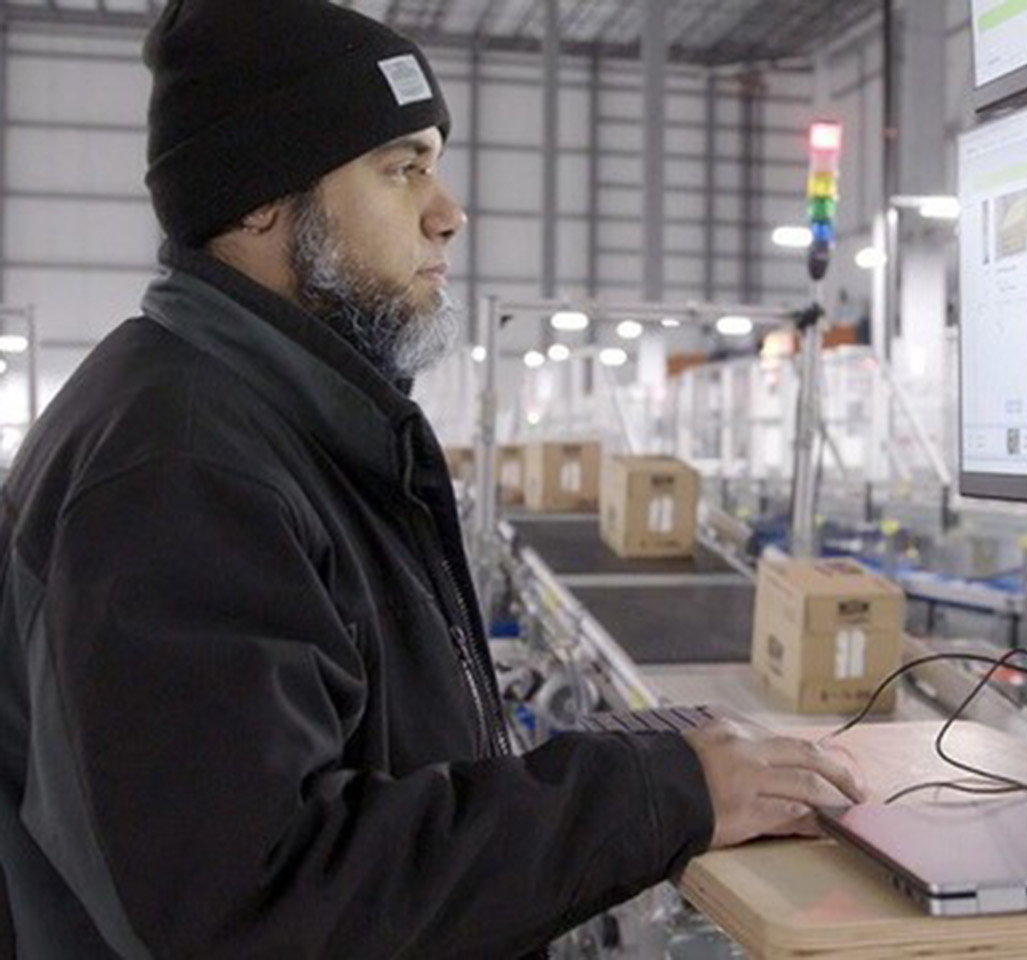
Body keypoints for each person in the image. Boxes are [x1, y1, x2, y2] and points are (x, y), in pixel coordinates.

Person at [0, 0, 863, 955]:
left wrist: (645, 760)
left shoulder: (284, 428)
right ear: (257, 197)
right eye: (401, 167)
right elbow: (257, 904)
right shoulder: (183, 468)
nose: (448, 213)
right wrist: (656, 795)